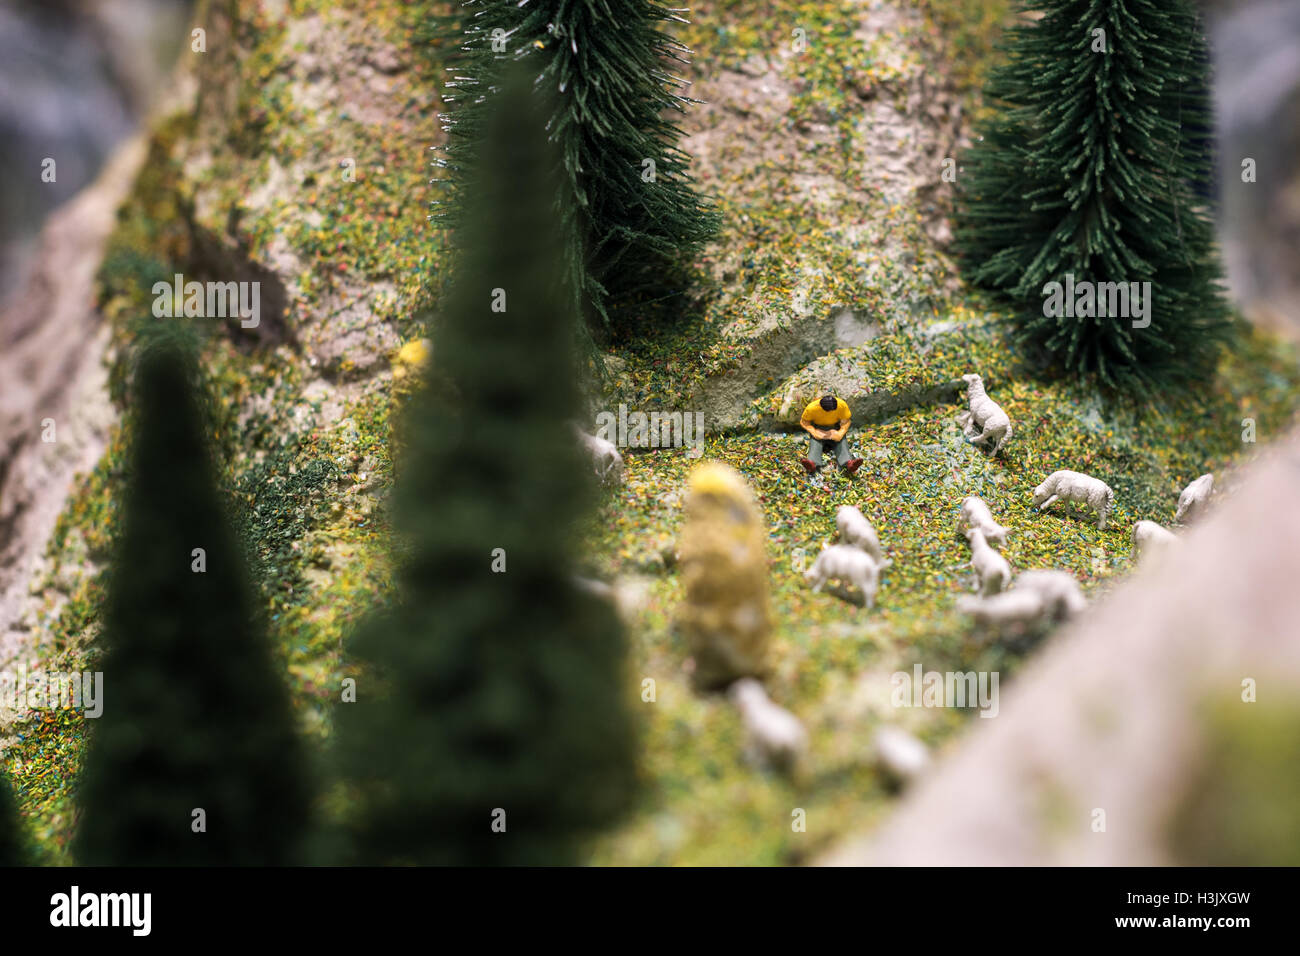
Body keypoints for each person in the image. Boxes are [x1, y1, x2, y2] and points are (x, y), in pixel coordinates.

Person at [799, 393, 863, 475]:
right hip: (819, 428)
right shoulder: (811, 408)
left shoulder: (842, 405)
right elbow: (804, 422)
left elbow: (846, 421)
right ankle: (812, 463)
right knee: (815, 443)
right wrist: (814, 432)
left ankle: (849, 463)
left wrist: (840, 432)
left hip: (835, 428)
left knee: (842, 442)